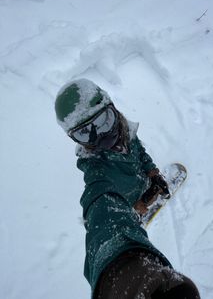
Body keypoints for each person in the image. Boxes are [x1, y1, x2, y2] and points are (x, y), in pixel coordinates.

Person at [55, 78, 200, 299]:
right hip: (123, 200)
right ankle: (135, 213)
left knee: (141, 193)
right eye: (85, 133)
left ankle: (139, 207)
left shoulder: (124, 130)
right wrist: (124, 273)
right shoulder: (97, 171)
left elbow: (139, 151)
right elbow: (102, 213)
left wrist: (152, 173)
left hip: (142, 183)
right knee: (129, 210)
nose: (101, 136)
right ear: (76, 139)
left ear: (111, 108)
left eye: (103, 121)